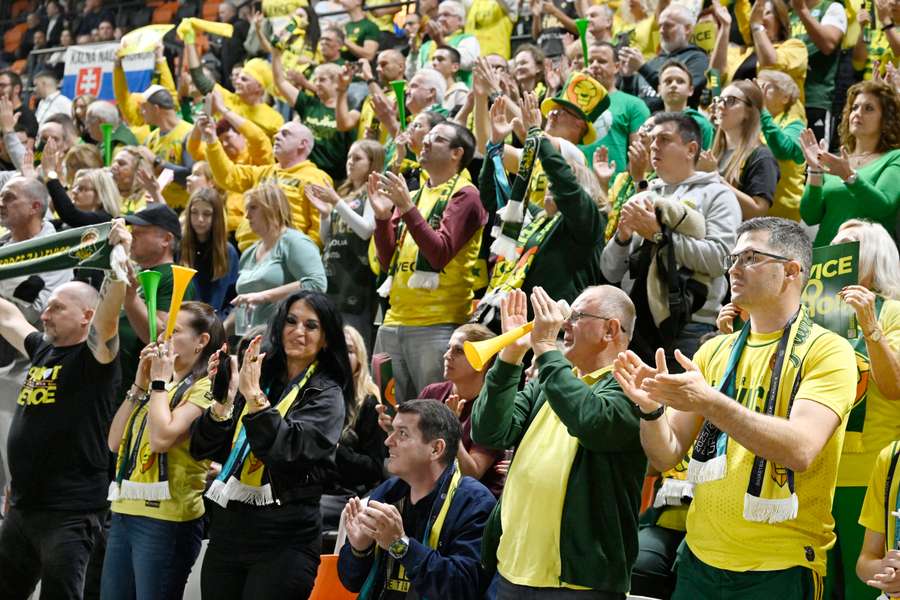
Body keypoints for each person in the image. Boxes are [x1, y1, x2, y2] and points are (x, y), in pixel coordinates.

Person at [614, 217, 857, 599]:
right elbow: (666, 455)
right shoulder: (714, 351)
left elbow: (800, 449)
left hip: (781, 565)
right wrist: (651, 411)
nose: (734, 268)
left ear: (792, 271)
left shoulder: (829, 350)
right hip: (699, 559)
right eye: (733, 258)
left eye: (751, 257)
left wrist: (709, 401)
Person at [472, 285, 644, 598]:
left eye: (576, 316)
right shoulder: (549, 382)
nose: (564, 323)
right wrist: (511, 355)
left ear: (610, 330)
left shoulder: (634, 386)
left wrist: (545, 348)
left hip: (579, 584)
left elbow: (589, 420)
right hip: (511, 570)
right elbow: (489, 432)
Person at [190, 291, 352, 600]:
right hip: (228, 533)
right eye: (291, 321)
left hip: (284, 541)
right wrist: (223, 400)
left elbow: (287, 452)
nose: (298, 331)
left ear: (326, 339)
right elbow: (203, 449)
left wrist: (255, 400)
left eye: (311, 325)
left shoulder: (327, 394)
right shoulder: (260, 377)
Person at [0, 221, 130, 600]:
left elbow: (110, 313)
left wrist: (117, 261)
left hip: (69, 515)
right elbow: (7, 317)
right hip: (23, 509)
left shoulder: (95, 359)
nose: (45, 315)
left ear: (87, 317)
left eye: (57, 308)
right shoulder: (43, 349)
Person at [101, 302, 225, 600]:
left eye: (174, 332)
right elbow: (114, 443)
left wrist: (157, 382)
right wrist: (139, 383)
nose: (162, 339)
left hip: (168, 518)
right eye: (163, 332)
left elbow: (161, 439)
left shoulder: (207, 386)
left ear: (201, 341)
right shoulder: (159, 385)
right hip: (124, 509)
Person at [601, 112, 741, 366]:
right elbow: (610, 270)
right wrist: (622, 237)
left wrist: (658, 235)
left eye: (664, 139)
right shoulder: (643, 196)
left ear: (691, 149)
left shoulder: (718, 194)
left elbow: (720, 259)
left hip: (689, 327)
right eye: (653, 140)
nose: (654, 146)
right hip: (634, 327)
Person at [370, 121, 486, 403]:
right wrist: (383, 218)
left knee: (432, 415)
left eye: (437, 138)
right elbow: (387, 262)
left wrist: (406, 208)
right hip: (393, 320)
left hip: (438, 325)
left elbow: (439, 254)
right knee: (386, 413)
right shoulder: (415, 195)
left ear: (457, 153)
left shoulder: (466, 195)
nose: (425, 141)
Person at [338, 398, 497, 600]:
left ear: (436, 449)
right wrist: (360, 550)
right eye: (392, 431)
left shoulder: (474, 502)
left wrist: (400, 545)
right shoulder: (386, 493)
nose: (388, 441)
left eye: (402, 434)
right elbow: (350, 582)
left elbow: (463, 588)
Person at [477, 93, 605, 327]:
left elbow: (565, 184)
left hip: (553, 332)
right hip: (507, 325)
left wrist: (536, 132)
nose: (551, 184)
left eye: (556, 181)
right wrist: (495, 143)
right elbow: (493, 199)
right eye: (549, 181)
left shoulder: (588, 223)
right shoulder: (537, 218)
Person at [823, 220, 900, 600]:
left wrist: (870, 325)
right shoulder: (814, 315)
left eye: (849, 246)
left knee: (863, 588)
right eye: (834, 245)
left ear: (873, 258)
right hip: (811, 469)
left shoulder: (893, 312)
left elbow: (895, 386)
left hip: (869, 471)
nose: (837, 253)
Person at [0, 176, 75, 506]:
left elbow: (46, 312)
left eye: (9, 197)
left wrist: (8, 287)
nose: (1, 203)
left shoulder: (57, 249)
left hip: (28, 369)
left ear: (34, 206)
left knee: (17, 466)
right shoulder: (3, 244)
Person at [196, 114, 333, 249]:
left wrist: (303, 254)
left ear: (302, 144)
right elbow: (227, 176)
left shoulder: (316, 178)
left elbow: (318, 228)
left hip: (284, 254)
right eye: (277, 133)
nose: (276, 136)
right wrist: (211, 139)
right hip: (248, 251)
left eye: (285, 134)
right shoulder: (264, 172)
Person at [799, 79, 900, 246]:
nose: (857, 113)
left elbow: (883, 207)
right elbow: (810, 217)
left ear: (886, 119)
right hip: (826, 256)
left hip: (868, 256)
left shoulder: (894, 157)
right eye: (855, 107)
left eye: (868, 108)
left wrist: (849, 176)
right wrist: (815, 170)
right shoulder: (835, 162)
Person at [306, 140, 383, 350]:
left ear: (372, 163)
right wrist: (325, 214)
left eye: (357, 158)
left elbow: (366, 230)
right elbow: (327, 239)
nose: (350, 162)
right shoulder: (344, 194)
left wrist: (336, 203)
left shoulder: (374, 192)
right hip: (334, 276)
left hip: (357, 279)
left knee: (351, 344)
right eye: (349, 157)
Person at [414, 323, 507, 497]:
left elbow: (471, 474)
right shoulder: (432, 393)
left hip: (470, 501)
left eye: (458, 351)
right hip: (430, 490)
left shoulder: (493, 408)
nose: (447, 355)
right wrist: (395, 429)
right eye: (448, 348)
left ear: (482, 361)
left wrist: (451, 428)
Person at [120, 204, 194, 398]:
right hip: (122, 380)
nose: (131, 237)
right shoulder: (139, 273)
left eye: (139, 232)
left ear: (166, 239)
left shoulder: (172, 276)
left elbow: (161, 337)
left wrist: (130, 297)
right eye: (132, 232)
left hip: (143, 385)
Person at [231, 184, 327, 332]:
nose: (247, 215)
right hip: (249, 338)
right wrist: (222, 329)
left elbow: (317, 283)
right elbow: (243, 304)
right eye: (247, 209)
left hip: (282, 336)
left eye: (253, 208)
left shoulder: (295, 242)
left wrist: (264, 296)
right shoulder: (248, 253)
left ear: (273, 208)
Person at [319, 325, 387, 530]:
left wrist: (336, 449)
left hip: (346, 494)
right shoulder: (313, 394)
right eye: (336, 350)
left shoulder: (369, 403)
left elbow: (373, 470)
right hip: (308, 488)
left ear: (359, 359)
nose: (341, 356)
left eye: (348, 350)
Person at [703, 80, 780, 220]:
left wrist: (713, 177)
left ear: (749, 112)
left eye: (730, 100)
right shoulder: (715, 152)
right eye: (719, 100)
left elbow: (757, 212)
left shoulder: (762, 157)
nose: (720, 105)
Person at [619, 4, 709, 111]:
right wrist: (627, 78)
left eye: (668, 25)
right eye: (660, 26)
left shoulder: (697, 59)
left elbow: (685, 95)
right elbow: (629, 105)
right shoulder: (653, 62)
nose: (661, 30)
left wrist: (643, 68)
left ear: (687, 29)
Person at [582, 42, 651, 176]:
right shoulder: (573, 102)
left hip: (613, 186)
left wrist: (623, 185)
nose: (594, 65)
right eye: (590, 62)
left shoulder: (634, 105)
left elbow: (639, 156)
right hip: (576, 184)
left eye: (601, 61)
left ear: (617, 67)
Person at [790, 0, 847, 146]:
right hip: (787, 102)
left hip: (815, 100)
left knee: (816, 157)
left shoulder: (832, 8)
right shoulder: (789, 14)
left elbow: (828, 44)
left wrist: (802, 10)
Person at [756, 69, 807, 221]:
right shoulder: (753, 122)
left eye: (765, 87)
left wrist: (762, 109)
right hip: (756, 208)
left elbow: (783, 150)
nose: (759, 92)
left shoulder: (796, 125)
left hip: (784, 213)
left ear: (785, 97)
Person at [180, 189, 239, 316]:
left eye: (207, 214)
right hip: (184, 320)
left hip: (216, 322)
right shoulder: (180, 247)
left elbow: (233, 299)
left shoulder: (228, 252)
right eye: (194, 212)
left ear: (216, 217)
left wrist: (223, 324)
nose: (200, 219)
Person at [137, 85, 194, 210]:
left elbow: (189, 176)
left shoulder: (188, 134)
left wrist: (156, 162)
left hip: (182, 209)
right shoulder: (150, 139)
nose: (141, 112)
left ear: (156, 109)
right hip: (155, 208)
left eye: (144, 108)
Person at [657, 60, 715, 149]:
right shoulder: (652, 124)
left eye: (680, 81)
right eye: (668, 81)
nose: (673, 85)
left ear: (690, 90)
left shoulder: (701, 124)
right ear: (659, 89)